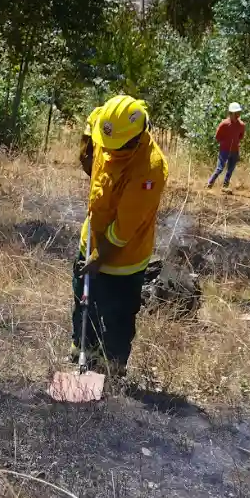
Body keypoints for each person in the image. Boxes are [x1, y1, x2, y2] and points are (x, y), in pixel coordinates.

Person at [73, 94, 169, 376]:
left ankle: (111, 369)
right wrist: (86, 143)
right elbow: (94, 120)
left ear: (135, 139)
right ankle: (82, 355)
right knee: (84, 304)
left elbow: (125, 227)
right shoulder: (110, 121)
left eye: (116, 147)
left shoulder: (149, 169)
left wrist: (99, 257)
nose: (108, 151)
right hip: (91, 239)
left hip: (123, 258)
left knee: (117, 317)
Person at [207, 102, 245, 189]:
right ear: (230, 113)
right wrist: (225, 143)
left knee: (230, 170)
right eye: (235, 113)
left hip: (235, 150)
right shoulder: (224, 124)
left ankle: (225, 186)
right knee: (219, 169)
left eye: (238, 113)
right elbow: (218, 136)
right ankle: (210, 183)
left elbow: (241, 137)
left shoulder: (241, 125)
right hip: (224, 150)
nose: (237, 115)